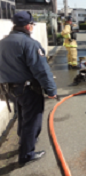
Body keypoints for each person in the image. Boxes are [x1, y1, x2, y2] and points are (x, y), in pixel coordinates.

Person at [0, 11, 57, 165]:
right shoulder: (30, 44)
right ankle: (26, 154)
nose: (32, 27)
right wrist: (51, 90)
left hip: (11, 89)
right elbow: (41, 70)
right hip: (28, 89)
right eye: (32, 24)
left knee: (23, 116)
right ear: (27, 26)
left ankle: (23, 140)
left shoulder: (3, 42)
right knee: (32, 121)